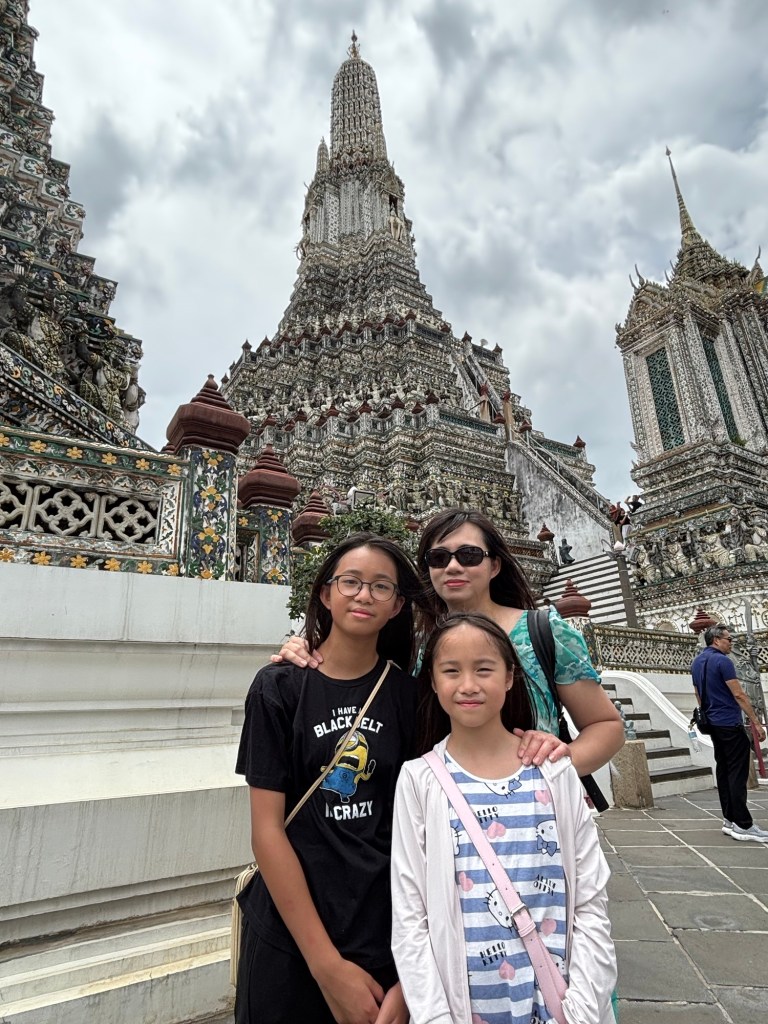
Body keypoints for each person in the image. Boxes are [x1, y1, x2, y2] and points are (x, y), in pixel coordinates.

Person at [391, 613, 617, 1023]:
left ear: (510, 676)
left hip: (561, 1005)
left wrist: (582, 1010)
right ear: (433, 681)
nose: (469, 685)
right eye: (451, 671)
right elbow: (410, 919)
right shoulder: (418, 781)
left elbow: (589, 900)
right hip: (465, 1008)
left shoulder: (554, 771)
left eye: (484, 669)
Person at [235, 533, 420, 1023]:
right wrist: (325, 965)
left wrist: (412, 969)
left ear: (399, 604)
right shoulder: (279, 687)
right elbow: (266, 829)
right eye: (351, 582)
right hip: (291, 934)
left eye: (381, 587)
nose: (364, 595)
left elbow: (422, 830)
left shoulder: (411, 697)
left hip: (381, 928)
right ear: (325, 593)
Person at [417, 510, 623, 777]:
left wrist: (557, 767)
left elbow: (606, 725)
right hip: (445, 805)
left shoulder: (544, 630)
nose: (452, 567)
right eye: (438, 558)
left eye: (469, 556)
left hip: (536, 807)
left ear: (495, 566)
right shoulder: (422, 646)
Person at [692, 624, 768, 843]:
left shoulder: (697, 662)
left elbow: (698, 694)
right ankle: (743, 824)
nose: (730, 643)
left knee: (724, 769)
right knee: (737, 772)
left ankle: (729, 819)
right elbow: (739, 694)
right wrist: (756, 723)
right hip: (728, 721)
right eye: (728, 639)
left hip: (712, 722)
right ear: (716, 640)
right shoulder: (723, 661)